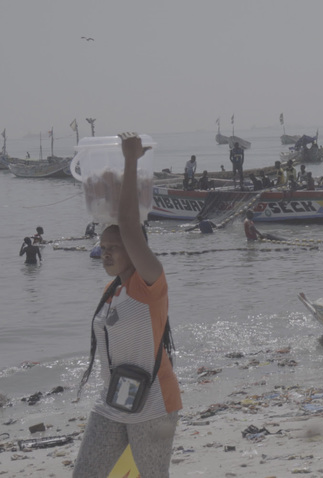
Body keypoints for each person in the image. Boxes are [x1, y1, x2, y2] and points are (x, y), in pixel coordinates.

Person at [73, 133, 181, 477]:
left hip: (152, 404)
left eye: (114, 246)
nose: (106, 251)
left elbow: (131, 226)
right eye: (102, 246)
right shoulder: (112, 291)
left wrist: (131, 160)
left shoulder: (150, 283)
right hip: (112, 401)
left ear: (135, 250)